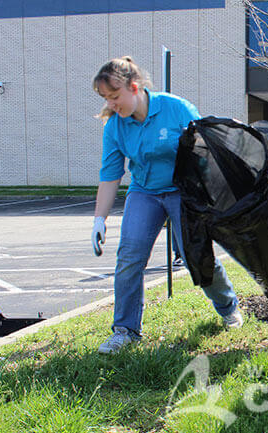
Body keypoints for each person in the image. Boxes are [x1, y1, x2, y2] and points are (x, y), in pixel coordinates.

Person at [91, 57, 243, 355]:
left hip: (183, 191)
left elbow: (205, 153)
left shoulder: (176, 109)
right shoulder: (115, 127)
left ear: (134, 87)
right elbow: (110, 175)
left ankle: (227, 307)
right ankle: (125, 330)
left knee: (195, 257)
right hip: (145, 192)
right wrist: (99, 219)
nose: (112, 104)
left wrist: (212, 199)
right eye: (106, 98)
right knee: (129, 256)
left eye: (115, 96)